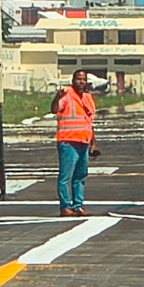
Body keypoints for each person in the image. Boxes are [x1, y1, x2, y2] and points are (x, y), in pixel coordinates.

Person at [51, 70, 98, 217]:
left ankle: (78, 205)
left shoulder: (88, 98)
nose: (81, 82)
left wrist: (93, 142)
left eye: (84, 79)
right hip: (68, 141)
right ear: (73, 80)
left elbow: (89, 121)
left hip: (83, 141)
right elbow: (54, 109)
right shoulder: (67, 95)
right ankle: (65, 206)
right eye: (79, 79)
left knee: (80, 176)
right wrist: (56, 98)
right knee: (66, 176)